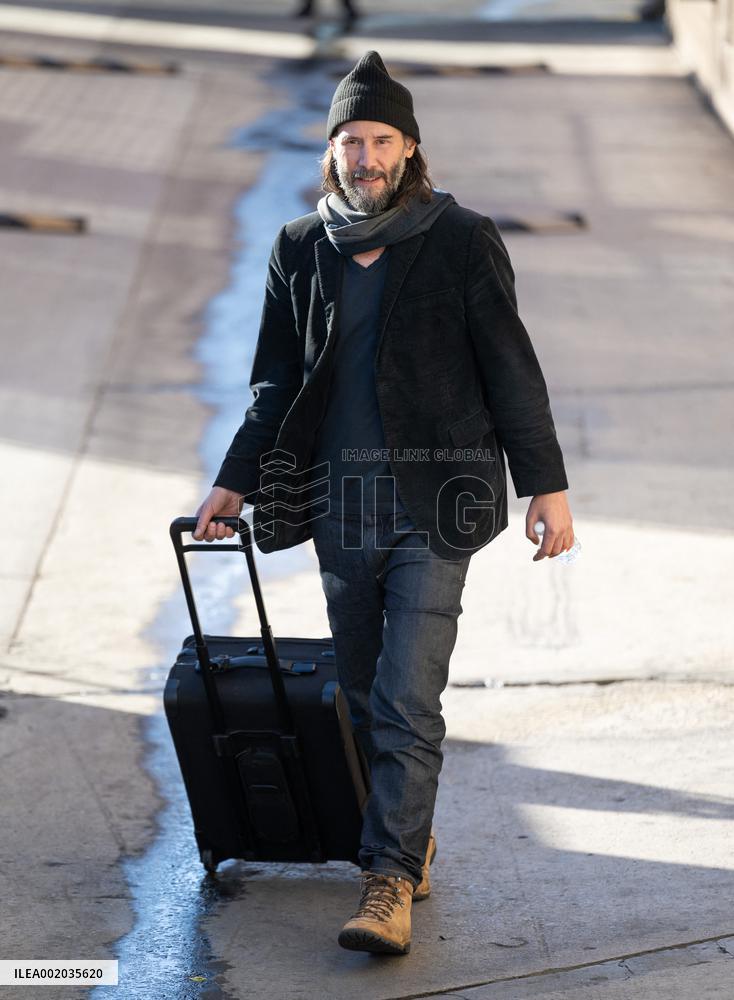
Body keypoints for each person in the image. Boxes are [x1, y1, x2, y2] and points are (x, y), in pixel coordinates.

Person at [193, 50, 574, 956]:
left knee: (406, 695)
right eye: (351, 141)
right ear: (332, 151)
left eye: (381, 141)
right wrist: (233, 481)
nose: (365, 157)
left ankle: (388, 879)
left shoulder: (461, 239)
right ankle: (408, 835)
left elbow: (510, 368)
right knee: (362, 693)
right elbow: (274, 386)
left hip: (436, 503)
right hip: (339, 506)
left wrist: (547, 485)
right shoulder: (300, 248)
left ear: (410, 150)